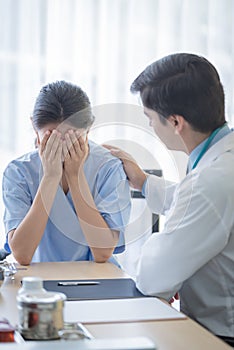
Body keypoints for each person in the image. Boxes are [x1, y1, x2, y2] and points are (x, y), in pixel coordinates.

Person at [104, 53, 234, 346]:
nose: (150, 126)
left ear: (176, 122)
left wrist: (170, 268)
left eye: (150, 119)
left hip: (221, 334)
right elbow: (198, 204)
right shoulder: (220, 159)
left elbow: (152, 278)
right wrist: (144, 181)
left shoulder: (210, 181)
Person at [2, 81, 131, 266]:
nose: (61, 149)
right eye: (51, 138)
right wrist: (50, 177)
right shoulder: (19, 171)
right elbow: (22, 254)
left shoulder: (108, 167)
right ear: (34, 127)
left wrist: (75, 175)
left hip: (97, 278)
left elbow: (102, 253)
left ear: (88, 130)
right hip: (39, 279)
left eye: (72, 139)